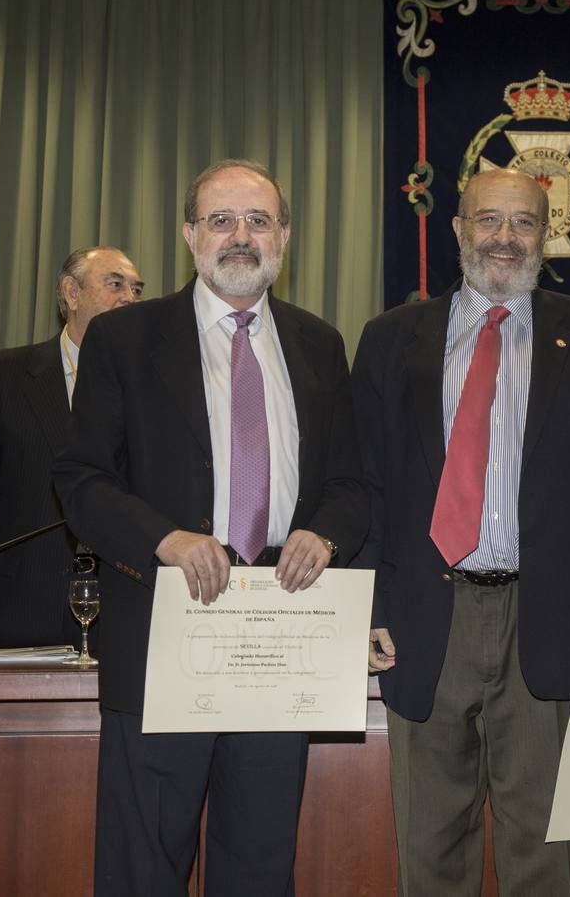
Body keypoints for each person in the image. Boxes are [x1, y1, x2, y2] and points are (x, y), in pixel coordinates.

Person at [53, 158, 366, 897]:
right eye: (221, 219)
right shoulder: (125, 339)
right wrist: (165, 537)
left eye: (258, 220)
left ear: (284, 234)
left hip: (279, 647)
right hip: (165, 635)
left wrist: (323, 534)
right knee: (143, 872)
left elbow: (352, 485)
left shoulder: (319, 345)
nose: (240, 236)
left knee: (259, 872)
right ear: (190, 234)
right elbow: (79, 481)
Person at [353, 168, 570, 896]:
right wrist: (364, 608)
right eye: (488, 220)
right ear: (458, 230)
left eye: (524, 223)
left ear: (545, 237)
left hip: (547, 612)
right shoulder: (392, 339)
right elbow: (364, 482)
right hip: (428, 617)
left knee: (544, 845)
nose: (505, 237)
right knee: (429, 841)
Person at [0, 246, 144, 649]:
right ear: (71, 294)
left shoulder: (154, 390)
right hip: (21, 609)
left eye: (136, 288)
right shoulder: (2, 377)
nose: (129, 297)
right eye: (115, 284)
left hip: (127, 615)